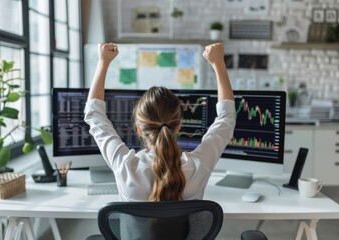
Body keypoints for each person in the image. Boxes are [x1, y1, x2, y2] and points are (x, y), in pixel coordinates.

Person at [84, 42, 236, 201]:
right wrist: (218, 63)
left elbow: (94, 114)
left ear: (139, 129)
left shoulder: (125, 167)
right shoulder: (198, 165)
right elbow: (227, 117)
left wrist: (103, 62)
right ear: (178, 126)